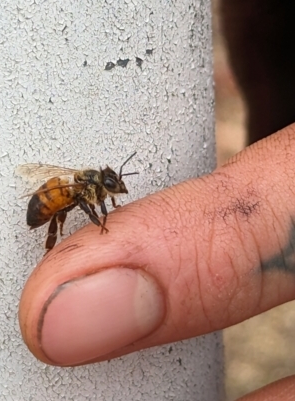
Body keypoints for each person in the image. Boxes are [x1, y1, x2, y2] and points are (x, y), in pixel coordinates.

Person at [19, 2, 295, 400]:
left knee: (63, 208)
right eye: (112, 187)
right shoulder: (83, 190)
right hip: (54, 205)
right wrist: (100, 223)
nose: (116, 190)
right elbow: (75, 201)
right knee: (61, 210)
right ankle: (53, 251)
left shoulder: (88, 184)